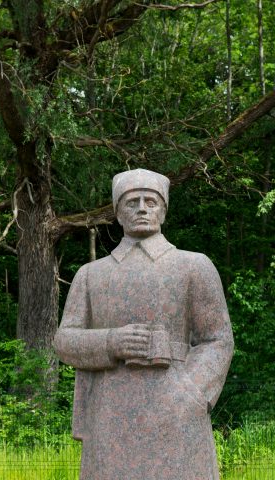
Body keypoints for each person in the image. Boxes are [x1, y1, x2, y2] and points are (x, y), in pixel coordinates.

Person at [53, 168, 234, 480]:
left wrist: (192, 393)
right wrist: (111, 342)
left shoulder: (194, 266)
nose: (141, 208)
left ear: (163, 210)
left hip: (176, 407)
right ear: (118, 214)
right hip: (110, 411)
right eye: (131, 202)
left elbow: (217, 339)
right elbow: (65, 341)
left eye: (150, 201)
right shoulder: (90, 275)